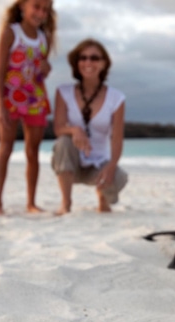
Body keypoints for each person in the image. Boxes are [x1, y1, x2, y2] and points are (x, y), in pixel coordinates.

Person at [0, 0, 56, 216]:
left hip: (35, 97)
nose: (41, 12)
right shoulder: (11, 33)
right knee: (5, 148)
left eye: (45, 9)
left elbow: (41, 70)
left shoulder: (44, 38)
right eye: (36, 6)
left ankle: (31, 202)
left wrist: (47, 69)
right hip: (11, 96)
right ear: (22, 7)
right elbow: (0, 70)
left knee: (33, 152)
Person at [51, 38, 128, 214]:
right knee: (63, 141)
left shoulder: (117, 98)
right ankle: (66, 203)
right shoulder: (63, 92)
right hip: (72, 162)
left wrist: (111, 166)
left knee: (118, 177)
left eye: (94, 58)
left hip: (100, 164)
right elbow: (58, 128)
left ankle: (103, 201)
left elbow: (116, 138)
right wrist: (74, 130)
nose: (88, 62)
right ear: (76, 63)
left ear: (103, 64)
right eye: (83, 58)